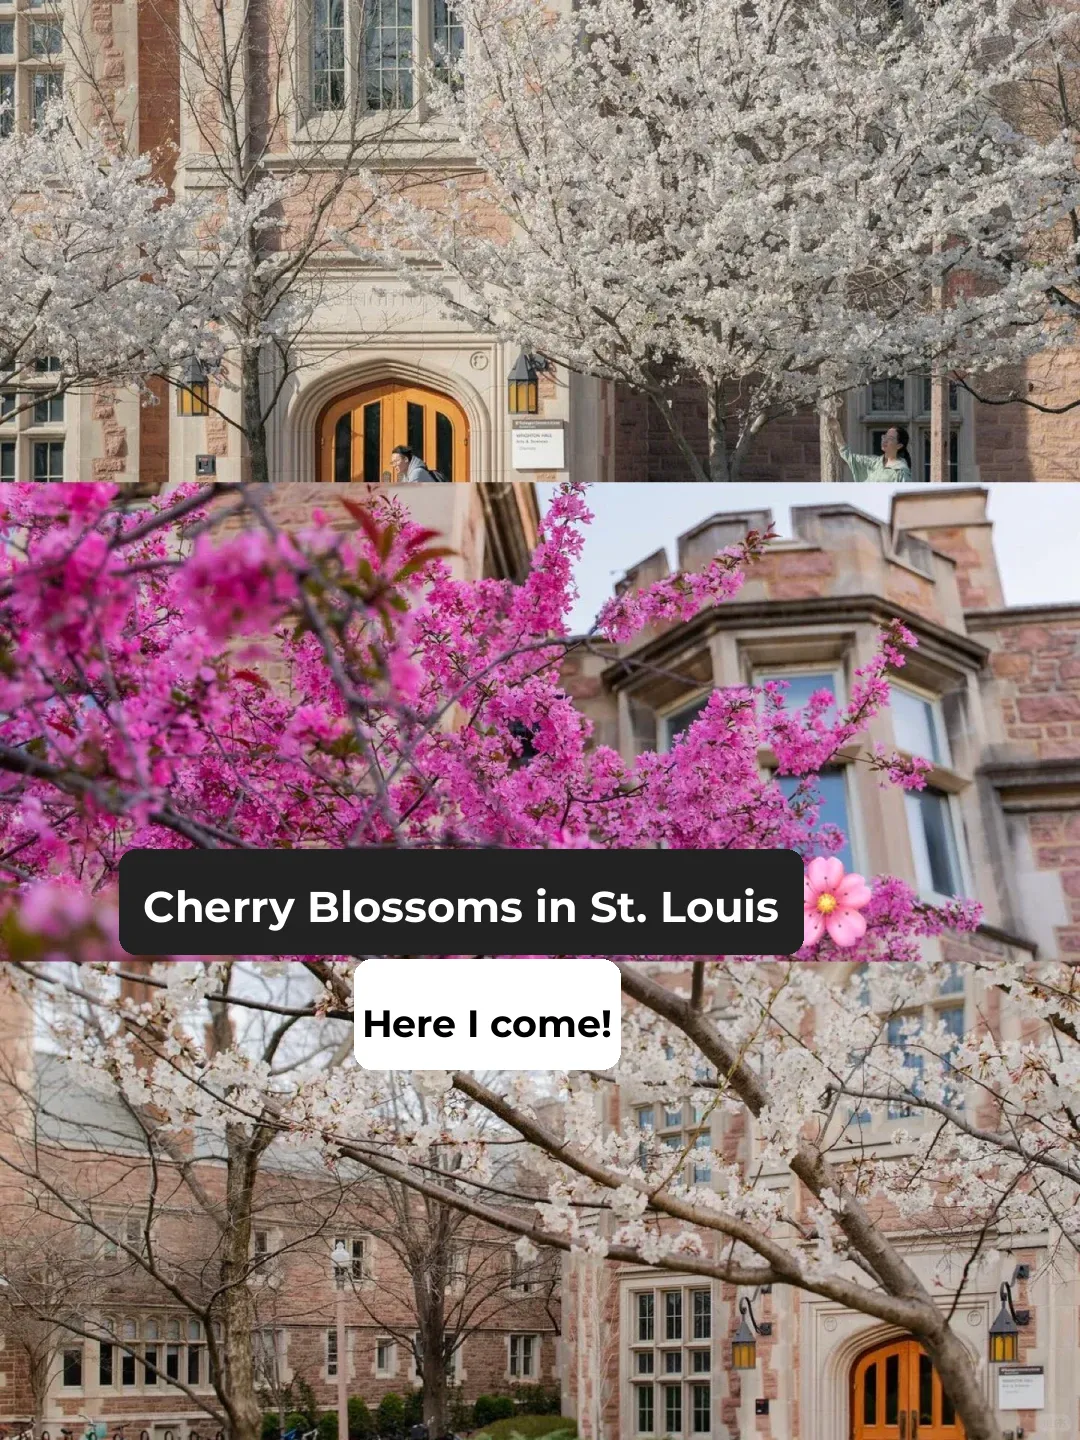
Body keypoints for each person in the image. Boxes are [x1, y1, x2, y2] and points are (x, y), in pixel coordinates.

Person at [827, 416, 913, 482]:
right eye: (885, 436)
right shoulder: (873, 462)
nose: (885, 440)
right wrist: (837, 432)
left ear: (899, 445)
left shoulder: (901, 471)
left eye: (890, 438)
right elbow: (847, 455)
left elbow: (905, 497)